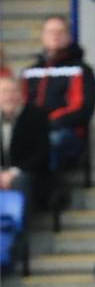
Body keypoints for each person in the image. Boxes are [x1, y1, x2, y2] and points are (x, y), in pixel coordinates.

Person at [20, 16, 95, 172]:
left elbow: (82, 109)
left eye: (60, 31)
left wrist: (47, 123)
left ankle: (49, 192)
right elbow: (22, 103)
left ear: (69, 36)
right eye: (50, 32)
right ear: (43, 36)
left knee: (49, 142)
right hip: (34, 130)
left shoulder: (81, 70)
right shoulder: (30, 72)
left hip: (67, 132)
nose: (55, 35)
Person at [0, 75, 49, 205]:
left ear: (21, 95)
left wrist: (12, 173)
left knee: (20, 181)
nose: (9, 96)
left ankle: (21, 225)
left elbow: (41, 154)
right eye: (4, 92)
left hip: (28, 172)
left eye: (13, 91)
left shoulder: (36, 116)